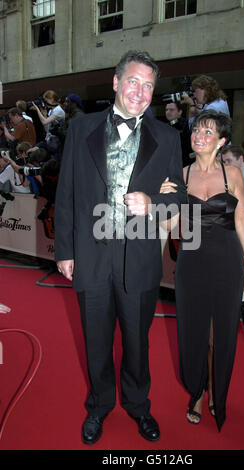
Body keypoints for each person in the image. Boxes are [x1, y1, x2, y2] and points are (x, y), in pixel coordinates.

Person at [54, 50, 186, 445]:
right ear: (116, 82)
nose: (140, 92)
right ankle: (98, 406)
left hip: (139, 258)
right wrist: (64, 250)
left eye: (148, 86)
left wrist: (154, 202)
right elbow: (66, 194)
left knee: (136, 342)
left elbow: (177, 196)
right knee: (96, 341)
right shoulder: (81, 129)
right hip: (91, 254)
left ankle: (137, 405)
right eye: (133, 81)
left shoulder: (167, 136)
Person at [160, 110, 244, 431]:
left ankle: (216, 392)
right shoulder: (181, 174)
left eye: (207, 132)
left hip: (227, 262)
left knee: (220, 335)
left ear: (222, 141)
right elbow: (171, 226)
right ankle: (197, 391)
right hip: (192, 262)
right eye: (196, 130)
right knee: (194, 333)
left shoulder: (233, 175)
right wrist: (164, 202)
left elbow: (242, 221)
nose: (199, 136)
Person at [165, 101, 192, 166]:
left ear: (179, 112)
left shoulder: (186, 124)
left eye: (171, 110)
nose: (168, 112)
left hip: (184, 162)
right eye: (166, 110)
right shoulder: (166, 126)